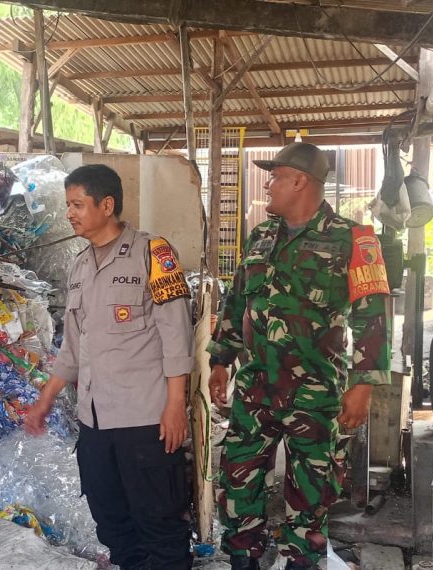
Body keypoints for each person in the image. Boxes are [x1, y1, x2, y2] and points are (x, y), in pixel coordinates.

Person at [207, 142, 392, 570]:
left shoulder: (353, 238)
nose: (267, 185)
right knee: (237, 480)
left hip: (316, 391)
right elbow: (237, 301)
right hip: (255, 385)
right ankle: (243, 559)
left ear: (299, 180)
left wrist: (362, 386)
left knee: (311, 488)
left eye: (274, 176)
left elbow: (373, 316)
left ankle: (302, 561)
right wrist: (220, 360)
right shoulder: (260, 237)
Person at [25, 164, 195, 570]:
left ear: (107, 205)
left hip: (145, 421)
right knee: (113, 524)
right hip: (95, 425)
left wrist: (176, 405)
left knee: (160, 524)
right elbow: (73, 346)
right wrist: (45, 400)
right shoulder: (80, 266)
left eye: (77, 204)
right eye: (68, 204)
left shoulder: (152, 253)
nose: (69, 213)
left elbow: (176, 334)